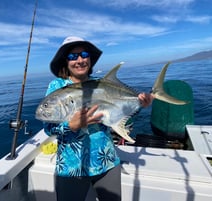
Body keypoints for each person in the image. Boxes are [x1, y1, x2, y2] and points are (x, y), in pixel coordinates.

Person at [43, 36, 153, 201]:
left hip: (107, 162)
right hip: (72, 168)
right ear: (66, 61)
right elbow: (48, 128)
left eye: (84, 54)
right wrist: (71, 125)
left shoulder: (102, 83)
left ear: (90, 58)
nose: (79, 60)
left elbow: (122, 115)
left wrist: (141, 104)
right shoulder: (57, 87)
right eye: (73, 56)